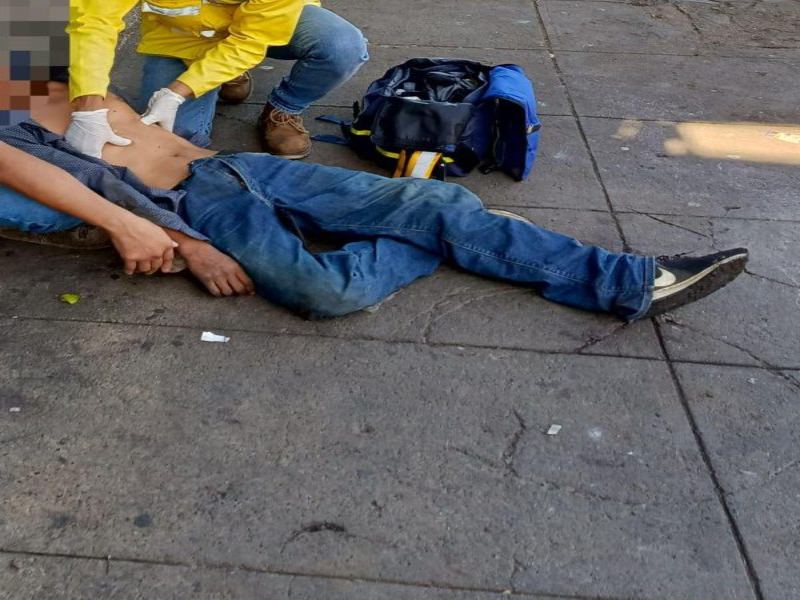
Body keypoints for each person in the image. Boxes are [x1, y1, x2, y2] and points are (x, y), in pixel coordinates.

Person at [0, 80, 748, 319]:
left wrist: (174, 93)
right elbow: (77, 182)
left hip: (233, 163)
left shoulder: (50, 65)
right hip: (196, 204)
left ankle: (630, 282)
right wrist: (184, 239)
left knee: (424, 210)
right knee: (323, 290)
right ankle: (448, 225)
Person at [65, 1, 368, 159]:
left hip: (260, 28)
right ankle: (226, 71)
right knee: (174, 143)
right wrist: (88, 104)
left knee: (342, 46)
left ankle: (283, 108)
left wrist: (176, 92)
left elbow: (252, 40)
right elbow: (93, 22)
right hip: (181, 41)